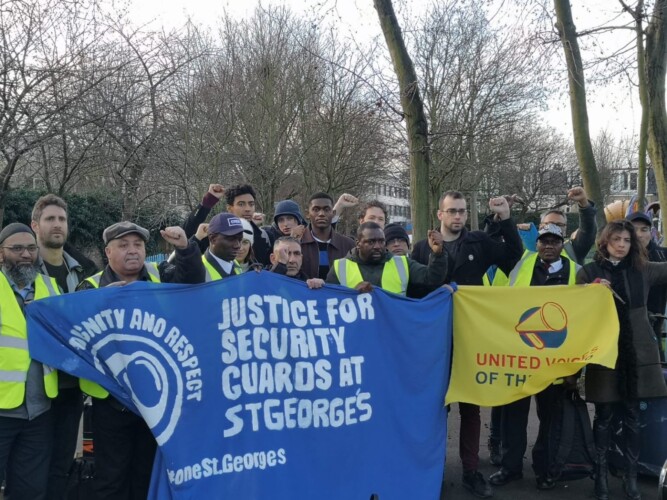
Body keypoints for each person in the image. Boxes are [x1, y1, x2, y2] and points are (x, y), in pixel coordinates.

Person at [76, 221, 204, 500]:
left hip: (156, 401)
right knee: (111, 479)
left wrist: (185, 248)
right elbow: (75, 333)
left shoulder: (161, 274)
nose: (132, 250)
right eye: (123, 245)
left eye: (138, 244)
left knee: (147, 476)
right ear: (107, 252)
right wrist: (99, 302)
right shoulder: (90, 286)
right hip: (111, 402)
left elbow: (194, 281)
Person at [411, 190, 523, 498]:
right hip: (435, 343)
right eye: (452, 211)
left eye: (462, 211)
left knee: (471, 410)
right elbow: (413, 291)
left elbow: (512, 255)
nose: (458, 216)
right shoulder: (421, 248)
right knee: (436, 410)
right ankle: (433, 471)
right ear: (440, 214)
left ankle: (471, 471)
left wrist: (506, 218)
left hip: (471, 339)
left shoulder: (478, 242)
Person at [577, 219, 667, 500]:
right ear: (605, 242)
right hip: (604, 351)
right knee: (603, 415)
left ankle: (631, 478)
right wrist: (591, 291)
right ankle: (601, 478)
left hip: (637, 352)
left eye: (627, 240)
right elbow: (574, 307)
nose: (622, 245)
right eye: (616, 239)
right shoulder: (588, 272)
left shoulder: (643, 269)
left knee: (632, 415)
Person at [488, 224, 580, 490]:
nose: (549, 246)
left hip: (556, 360)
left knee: (550, 419)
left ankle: (545, 468)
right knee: (513, 417)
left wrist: (575, 368)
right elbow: (503, 302)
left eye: (554, 241)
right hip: (521, 357)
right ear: (536, 244)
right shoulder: (522, 267)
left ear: (562, 244)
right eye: (544, 241)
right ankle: (510, 467)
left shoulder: (577, 272)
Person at [30, 194, 97, 499]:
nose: (57, 225)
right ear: (35, 225)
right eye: (50, 219)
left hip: (71, 386)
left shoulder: (83, 271)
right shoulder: (22, 269)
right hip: (34, 388)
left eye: (62, 219)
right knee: (30, 466)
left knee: (61, 464)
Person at [0, 223, 61, 500]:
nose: (26, 254)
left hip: (38, 411)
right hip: (2, 409)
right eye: (17, 248)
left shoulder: (50, 286)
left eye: (31, 248)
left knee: (30, 491)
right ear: (1, 253)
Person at [326, 221, 447, 295]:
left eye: (381, 241)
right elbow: (329, 302)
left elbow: (432, 279)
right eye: (371, 242)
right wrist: (352, 294)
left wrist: (438, 254)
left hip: (393, 328)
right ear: (358, 244)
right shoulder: (340, 268)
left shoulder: (402, 263)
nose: (377, 246)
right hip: (358, 329)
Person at [182, 184, 272, 265]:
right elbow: (187, 233)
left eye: (251, 204)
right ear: (229, 208)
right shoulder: (216, 235)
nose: (248, 209)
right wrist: (208, 201)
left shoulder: (263, 237)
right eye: (241, 204)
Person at [627, 211, 667, 362]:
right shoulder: (616, 258)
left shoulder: (663, 256)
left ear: (651, 233)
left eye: (644, 230)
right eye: (633, 229)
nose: (639, 235)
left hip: (654, 328)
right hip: (623, 329)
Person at [300, 192, 355, 280]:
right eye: (316, 209)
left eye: (326, 209)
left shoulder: (349, 245)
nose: (321, 214)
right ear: (307, 214)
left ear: (333, 213)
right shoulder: (298, 243)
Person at [202, 213, 246, 281]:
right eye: (231, 239)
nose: (238, 245)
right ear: (213, 239)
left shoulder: (234, 263)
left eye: (240, 239)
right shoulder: (197, 270)